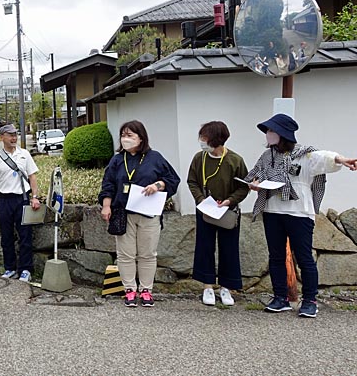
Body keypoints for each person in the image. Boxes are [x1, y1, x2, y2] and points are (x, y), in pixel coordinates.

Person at [245, 113, 357, 318]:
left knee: (304, 258)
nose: (268, 134)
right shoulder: (267, 157)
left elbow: (325, 157)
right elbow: (255, 175)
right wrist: (255, 184)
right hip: (272, 211)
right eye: (268, 130)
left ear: (282, 133)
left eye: (271, 130)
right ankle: (280, 298)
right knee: (276, 256)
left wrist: (342, 159)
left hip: (299, 213)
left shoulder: (305, 155)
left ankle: (310, 301)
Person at [99, 120, 180, 307]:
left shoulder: (155, 158)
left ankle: (146, 290)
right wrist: (106, 205)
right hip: (123, 213)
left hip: (148, 213)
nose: (125, 139)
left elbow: (172, 179)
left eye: (130, 135)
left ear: (141, 138)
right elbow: (108, 184)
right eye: (123, 135)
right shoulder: (117, 160)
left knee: (148, 254)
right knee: (125, 254)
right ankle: (129, 289)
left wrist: (157, 185)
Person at [187, 121, 250, 306]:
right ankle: (207, 286)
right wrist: (201, 200)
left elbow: (243, 187)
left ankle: (226, 287)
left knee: (229, 249)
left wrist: (230, 200)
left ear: (216, 139)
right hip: (205, 209)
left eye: (205, 138)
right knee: (204, 247)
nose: (201, 141)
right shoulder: (199, 158)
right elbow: (192, 181)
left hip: (228, 211)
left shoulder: (235, 160)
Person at [0, 124, 41, 283]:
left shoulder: (24, 154)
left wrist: (35, 197)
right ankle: (9, 268)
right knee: (6, 236)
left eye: (15, 135)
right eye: (10, 135)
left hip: (22, 198)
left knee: (25, 235)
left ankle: (26, 269)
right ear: (2, 137)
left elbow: (32, 177)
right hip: (4, 200)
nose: (14, 138)